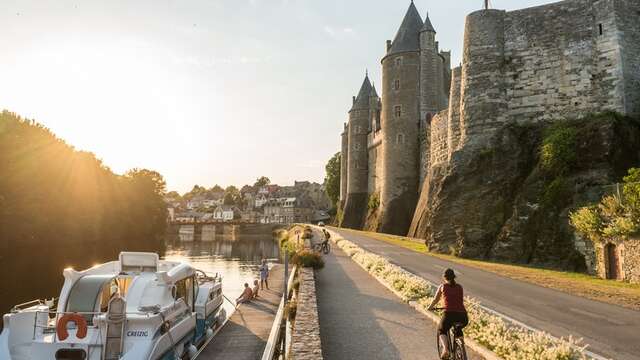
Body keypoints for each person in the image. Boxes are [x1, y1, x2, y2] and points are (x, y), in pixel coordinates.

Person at [427, 268, 468, 360]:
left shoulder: (442, 287)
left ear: (444, 277)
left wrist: (430, 308)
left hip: (449, 314)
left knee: (441, 330)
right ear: (454, 277)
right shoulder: (460, 287)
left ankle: (445, 349)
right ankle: (461, 344)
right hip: (463, 316)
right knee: (458, 327)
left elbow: (436, 300)